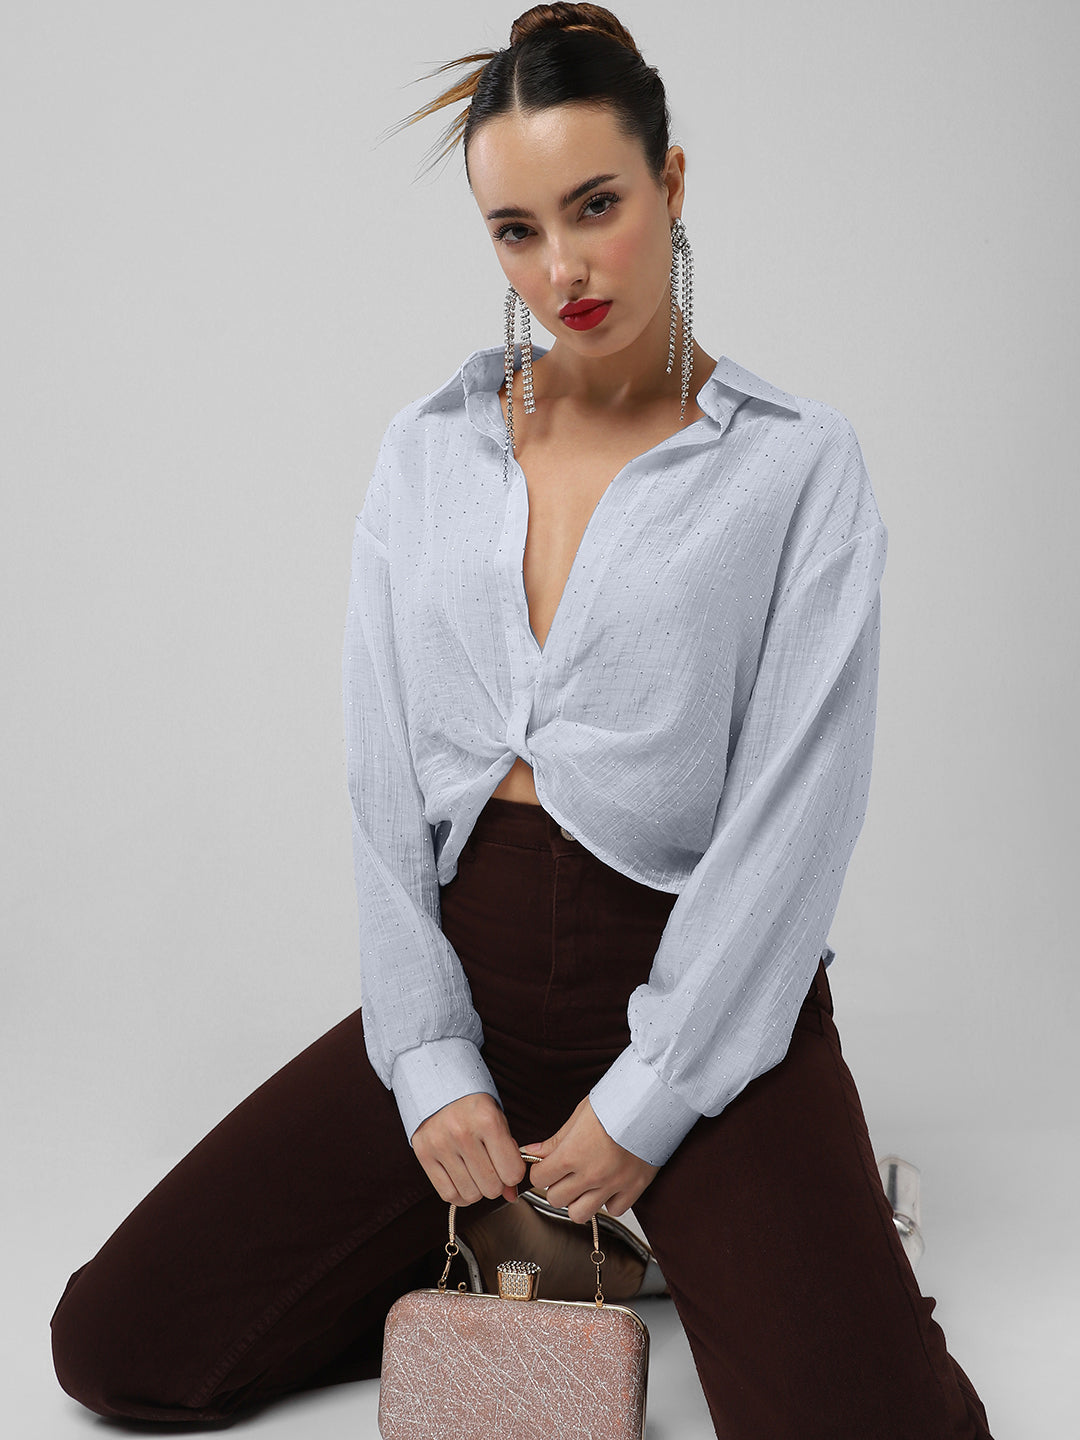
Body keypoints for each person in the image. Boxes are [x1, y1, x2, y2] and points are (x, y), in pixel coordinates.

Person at [50, 6, 996, 1436]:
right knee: (120, 1347)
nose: (562, 269)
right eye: (516, 229)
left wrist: (651, 1103)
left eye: (596, 206)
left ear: (672, 181)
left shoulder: (797, 467)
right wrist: (430, 1063)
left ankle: (736, 1218)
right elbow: (382, 783)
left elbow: (798, 815)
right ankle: (558, 1239)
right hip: (473, 991)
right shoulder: (428, 452)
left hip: (709, 998)